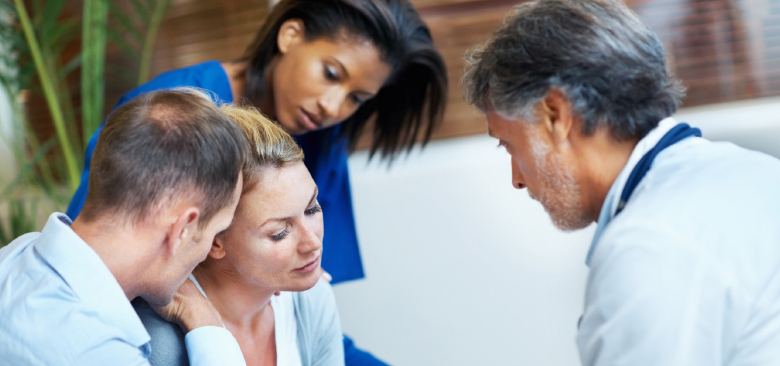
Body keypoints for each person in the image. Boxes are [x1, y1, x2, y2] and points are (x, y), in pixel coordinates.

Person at [67, 1, 446, 362]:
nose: (333, 106)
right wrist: (203, 321)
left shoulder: (322, 135)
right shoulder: (167, 119)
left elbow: (310, 317)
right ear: (291, 35)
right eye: (331, 73)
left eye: (356, 98)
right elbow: (99, 263)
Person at [463, 0, 780, 365]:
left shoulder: (650, 244)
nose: (517, 179)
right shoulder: (756, 171)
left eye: (509, 145)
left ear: (555, 115)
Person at [0, 89, 251, 365]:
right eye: (217, 232)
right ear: (182, 228)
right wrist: (206, 320)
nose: (207, 253)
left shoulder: (14, 255)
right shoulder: (100, 353)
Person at [134, 104, 344, 366]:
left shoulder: (311, 300)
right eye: (279, 233)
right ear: (214, 239)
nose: (313, 243)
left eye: (312, 208)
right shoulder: (156, 344)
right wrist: (205, 322)